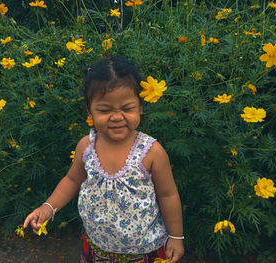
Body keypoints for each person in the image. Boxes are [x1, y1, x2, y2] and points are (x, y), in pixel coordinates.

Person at [23, 56, 184, 263]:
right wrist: (48, 207)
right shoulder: (86, 146)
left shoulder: (151, 152)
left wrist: (176, 237)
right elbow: (72, 180)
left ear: (141, 107)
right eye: (105, 110)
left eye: (127, 108)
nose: (117, 116)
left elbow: (168, 195)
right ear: (90, 110)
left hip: (145, 250)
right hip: (96, 248)